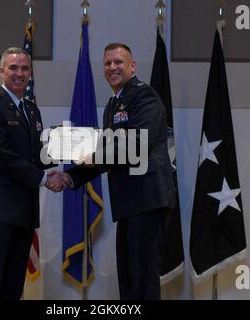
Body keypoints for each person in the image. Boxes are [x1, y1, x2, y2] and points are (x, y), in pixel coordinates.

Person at [63, 43, 175, 299]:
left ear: (132, 66)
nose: (112, 67)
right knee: (129, 279)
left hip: (147, 203)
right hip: (130, 205)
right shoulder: (114, 104)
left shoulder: (143, 97)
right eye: (107, 63)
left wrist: (95, 156)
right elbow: (105, 156)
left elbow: (137, 145)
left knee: (143, 280)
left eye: (118, 62)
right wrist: (70, 177)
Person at [0, 47, 63, 300]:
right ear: (1, 71)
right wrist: (44, 179)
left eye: (24, 68)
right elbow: (1, 156)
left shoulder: (31, 110)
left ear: (30, 73)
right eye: (13, 67)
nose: (19, 73)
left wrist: (77, 150)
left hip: (24, 213)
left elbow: (38, 153)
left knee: (12, 288)